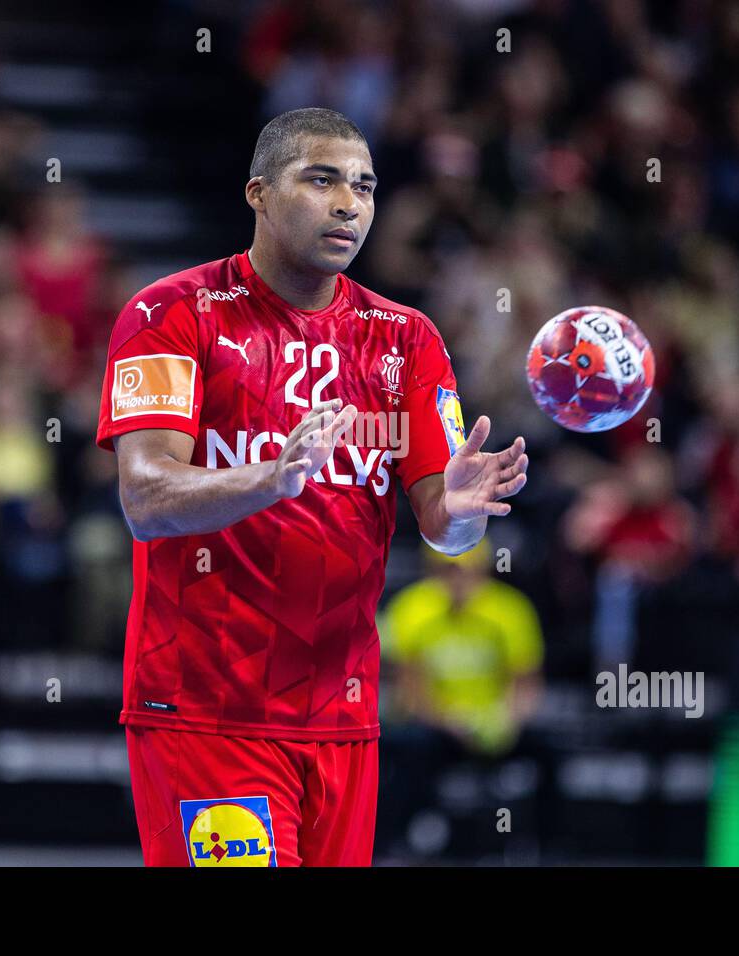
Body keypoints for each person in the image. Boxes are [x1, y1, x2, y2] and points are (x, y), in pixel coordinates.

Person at [95, 108, 529, 866]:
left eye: (363, 186)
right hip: (207, 708)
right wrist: (272, 477)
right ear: (258, 193)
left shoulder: (407, 340)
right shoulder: (169, 313)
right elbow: (145, 497)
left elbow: (443, 524)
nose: (348, 204)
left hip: (344, 715)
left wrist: (458, 517)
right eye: (321, 179)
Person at [381, 538, 544, 758]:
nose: (456, 581)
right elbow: (407, 688)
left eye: (466, 571)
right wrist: (447, 721)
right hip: (430, 725)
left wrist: (504, 720)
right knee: (411, 742)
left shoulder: (511, 610)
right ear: (432, 571)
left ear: (483, 570)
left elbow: (525, 681)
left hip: (495, 720)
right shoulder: (410, 608)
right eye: (447, 571)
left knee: (538, 747)